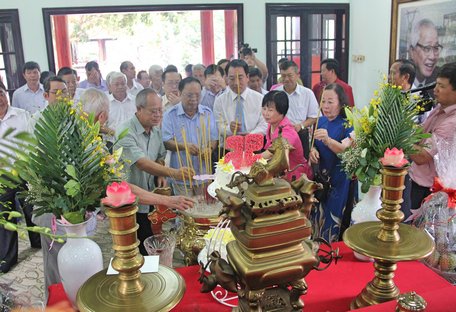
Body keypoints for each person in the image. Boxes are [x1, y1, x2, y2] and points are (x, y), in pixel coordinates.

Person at [117, 88, 194, 255]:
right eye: (153, 111)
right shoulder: (125, 132)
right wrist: (173, 172)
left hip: (150, 197)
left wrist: (160, 173)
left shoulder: (155, 131)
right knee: (133, 247)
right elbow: (142, 163)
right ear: (139, 109)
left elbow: (159, 156)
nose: (158, 115)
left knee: (150, 241)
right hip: (129, 201)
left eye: (160, 110)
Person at [405, 62, 456, 216]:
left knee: (416, 233)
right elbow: (419, 135)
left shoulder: (451, 122)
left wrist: (398, 135)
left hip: (428, 189)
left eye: (441, 86)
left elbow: (421, 156)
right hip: (417, 181)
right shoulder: (439, 109)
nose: (435, 90)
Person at [0, 80, 40, 274]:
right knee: (5, 216)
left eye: (1, 94)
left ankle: (38, 240)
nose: (0, 99)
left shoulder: (22, 115)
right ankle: (7, 257)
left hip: (24, 169)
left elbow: (32, 142)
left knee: (31, 206)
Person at [309, 83, 355, 242]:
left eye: (330, 102)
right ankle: (317, 248)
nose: (325, 106)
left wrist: (328, 140)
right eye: (323, 101)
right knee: (317, 216)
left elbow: (347, 152)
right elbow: (313, 144)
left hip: (339, 181)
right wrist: (312, 151)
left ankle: (331, 251)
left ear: (341, 103)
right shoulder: (320, 121)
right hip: (321, 179)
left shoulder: (348, 124)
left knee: (333, 219)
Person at [162, 77, 218, 195]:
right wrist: (184, 146)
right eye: (189, 95)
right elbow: (166, 142)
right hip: (181, 174)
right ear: (180, 93)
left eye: (197, 95)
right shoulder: (170, 115)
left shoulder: (207, 113)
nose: (194, 99)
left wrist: (209, 148)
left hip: (203, 173)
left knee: (204, 209)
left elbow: (214, 138)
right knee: (185, 210)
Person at [261, 90, 312, 182]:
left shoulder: (287, 132)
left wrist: (251, 158)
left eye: (270, 110)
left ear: (281, 111)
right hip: (278, 170)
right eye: (264, 108)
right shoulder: (271, 124)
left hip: (295, 175)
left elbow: (270, 153)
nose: (266, 113)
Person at [213, 59, 267, 140]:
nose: (236, 83)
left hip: (254, 145)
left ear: (247, 77)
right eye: (232, 78)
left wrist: (250, 135)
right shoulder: (220, 101)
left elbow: (264, 124)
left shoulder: (259, 99)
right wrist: (229, 129)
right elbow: (218, 126)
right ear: (226, 79)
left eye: (240, 78)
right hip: (228, 148)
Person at [276, 60, 319, 159]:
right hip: (280, 136)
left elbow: (314, 117)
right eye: (283, 76)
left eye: (290, 75)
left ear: (297, 75)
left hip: (300, 135)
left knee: (300, 166)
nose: (286, 79)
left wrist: (301, 126)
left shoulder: (307, 93)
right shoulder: (275, 93)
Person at [408, 19, 442, 88]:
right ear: (412, 51)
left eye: (436, 48)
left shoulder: (440, 82)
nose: (432, 57)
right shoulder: (402, 80)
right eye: (427, 48)